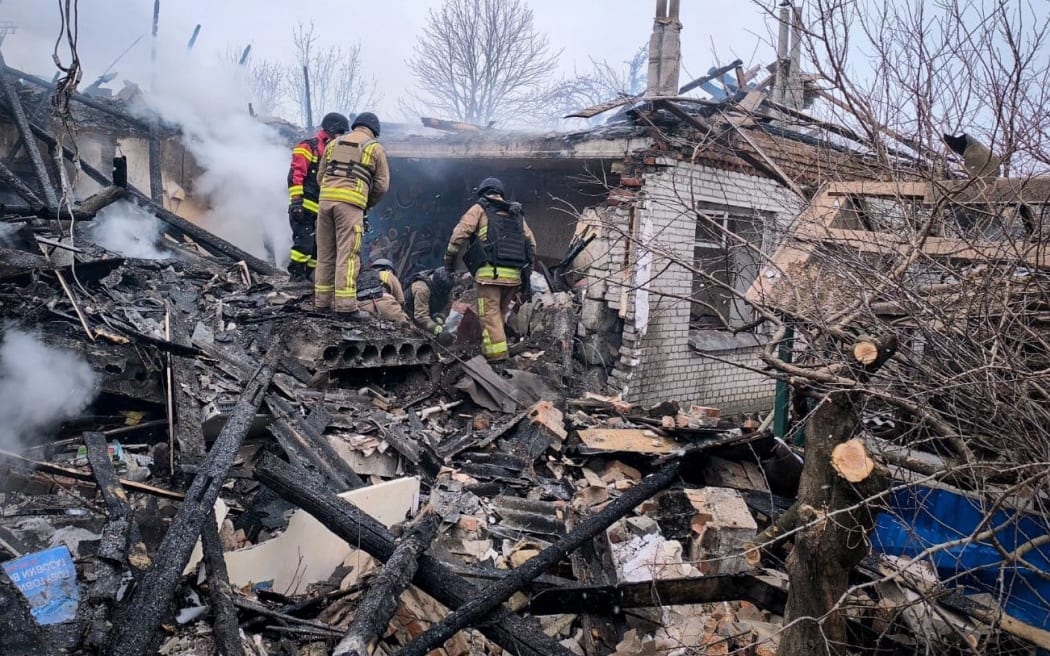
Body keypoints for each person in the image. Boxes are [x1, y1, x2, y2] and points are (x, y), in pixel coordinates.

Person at [444, 177, 535, 369]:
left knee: (489, 315)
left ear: (483, 193)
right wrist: (527, 274)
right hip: (514, 277)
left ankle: (498, 362)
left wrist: (449, 262)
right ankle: (491, 351)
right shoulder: (516, 213)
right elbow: (531, 244)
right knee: (498, 315)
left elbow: (458, 236)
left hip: (490, 276)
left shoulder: (480, 208)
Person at [314, 112, 389, 319]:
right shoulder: (374, 148)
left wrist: (330, 193)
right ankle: (346, 307)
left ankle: (321, 303)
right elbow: (382, 186)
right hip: (350, 205)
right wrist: (365, 203)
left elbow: (321, 176)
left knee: (325, 254)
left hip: (325, 203)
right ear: (374, 130)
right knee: (347, 255)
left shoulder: (333, 143)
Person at [286, 112, 349, 282]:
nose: (341, 136)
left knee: (317, 248)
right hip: (304, 208)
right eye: (340, 132)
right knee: (303, 245)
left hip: (321, 210)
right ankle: (296, 276)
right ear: (331, 129)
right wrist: (296, 201)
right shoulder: (308, 146)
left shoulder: (333, 151)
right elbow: (296, 174)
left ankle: (307, 278)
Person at [357, 258, 409, 323]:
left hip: (362, 308)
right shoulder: (388, 274)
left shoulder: (361, 276)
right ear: (389, 269)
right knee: (406, 324)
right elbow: (400, 299)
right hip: (385, 305)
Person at [405, 267, 454, 335]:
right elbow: (421, 317)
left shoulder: (445, 286)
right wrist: (437, 330)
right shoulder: (422, 289)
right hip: (409, 314)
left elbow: (448, 302)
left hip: (427, 311)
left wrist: (441, 317)